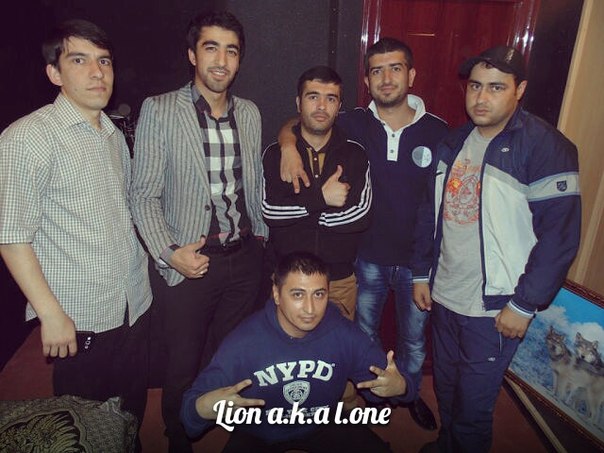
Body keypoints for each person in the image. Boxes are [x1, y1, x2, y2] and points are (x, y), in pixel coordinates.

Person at [412, 46, 581, 452]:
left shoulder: (545, 146)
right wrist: (421, 272)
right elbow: (429, 212)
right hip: (446, 294)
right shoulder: (454, 141)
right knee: (447, 389)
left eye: (496, 87)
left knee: (473, 406)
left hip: (495, 307)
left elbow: (559, 237)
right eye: (475, 86)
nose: (481, 98)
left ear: (519, 90)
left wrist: (524, 304)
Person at [279, 38, 446, 430]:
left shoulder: (439, 131)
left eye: (395, 68)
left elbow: (440, 205)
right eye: (376, 71)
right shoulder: (353, 122)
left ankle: (408, 394)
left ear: (411, 75)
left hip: (417, 264)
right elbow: (301, 120)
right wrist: (287, 145)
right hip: (366, 259)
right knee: (364, 335)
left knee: (414, 340)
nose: (386, 78)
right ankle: (371, 399)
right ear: (367, 80)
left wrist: (426, 266)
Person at [0, 18, 152, 435]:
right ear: (54, 72)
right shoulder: (28, 138)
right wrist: (50, 314)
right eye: (80, 60)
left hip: (133, 302)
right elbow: (11, 237)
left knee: (130, 414)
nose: (97, 72)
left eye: (104, 61)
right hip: (81, 314)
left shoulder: (112, 133)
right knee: (85, 425)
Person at [130, 10, 267, 452]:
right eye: (211, 48)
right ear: (192, 54)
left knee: (229, 352)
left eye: (231, 51)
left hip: (243, 259)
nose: (221, 60)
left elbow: (253, 185)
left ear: (240, 60)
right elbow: (142, 195)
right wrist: (170, 253)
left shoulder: (250, 113)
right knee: (182, 362)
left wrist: (261, 238)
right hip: (189, 262)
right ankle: (179, 433)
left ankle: (221, 416)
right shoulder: (160, 109)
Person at [181, 251, 414, 452]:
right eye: (297, 294)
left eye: (319, 294)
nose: (310, 309)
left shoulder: (344, 333)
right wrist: (201, 408)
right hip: (258, 429)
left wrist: (401, 386)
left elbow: (396, 383)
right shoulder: (243, 342)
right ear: (276, 294)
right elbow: (190, 410)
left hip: (323, 420)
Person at [262, 65, 371, 320]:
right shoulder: (276, 154)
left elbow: (360, 215)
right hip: (288, 279)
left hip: (339, 282)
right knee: (286, 343)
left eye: (330, 99)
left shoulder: (355, 154)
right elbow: (270, 212)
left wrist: (303, 212)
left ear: (339, 105)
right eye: (313, 97)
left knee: (337, 345)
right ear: (298, 103)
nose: (321, 106)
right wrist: (322, 199)